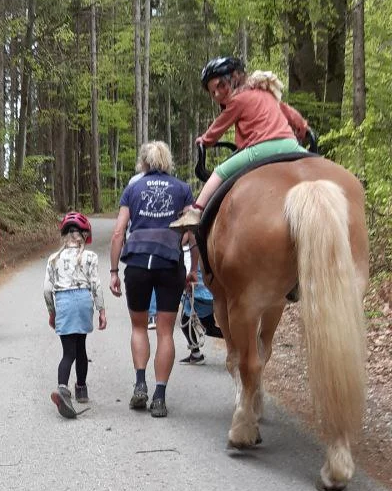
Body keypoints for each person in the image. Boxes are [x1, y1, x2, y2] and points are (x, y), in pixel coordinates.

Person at [109, 140, 197, 418]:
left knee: (138, 327)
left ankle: (139, 385)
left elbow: (118, 231)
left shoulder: (133, 188)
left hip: (136, 261)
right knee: (164, 331)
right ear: (167, 161)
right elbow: (192, 231)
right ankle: (159, 397)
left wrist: (113, 270)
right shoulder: (182, 189)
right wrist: (192, 267)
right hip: (170, 262)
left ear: (143, 162)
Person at [171, 58, 311, 231]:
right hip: (290, 145)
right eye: (212, 92)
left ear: (235, 78)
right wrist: (303, 128)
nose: (217, 94)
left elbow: (219, 127)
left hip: (261, 149)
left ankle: (195, 211)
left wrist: (205, 140)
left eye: (220, 86)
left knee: (219, 172)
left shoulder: (238, 100)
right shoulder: (267, 94)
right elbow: (290, 113)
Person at [42, 211, 107, 418]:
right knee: (81, 347)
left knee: (68, 352)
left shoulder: (53, 259)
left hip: (63, 301)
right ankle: (81, 390)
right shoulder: (90, 257)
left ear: (65, 235)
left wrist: (52, 312)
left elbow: (46, 289)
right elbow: (96, 284)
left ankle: (62, 388)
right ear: (84, 236)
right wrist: (101, 310)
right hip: (83, 301)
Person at [180, 265, 223, 363]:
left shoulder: (192, 253)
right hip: (205, 290)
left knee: (208, 328)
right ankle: (195, 354)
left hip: (198, 291)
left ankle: (239, 342)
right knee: (207, 327)